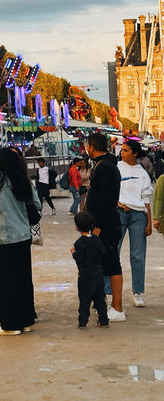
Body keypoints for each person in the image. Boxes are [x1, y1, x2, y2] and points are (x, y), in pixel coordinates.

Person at [0, 147, 41, 335]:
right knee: (23, 279)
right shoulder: (24, 180)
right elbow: (37, 204)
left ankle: (10, 324)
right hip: (23, 236)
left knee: (6, 282)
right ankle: (26, 320)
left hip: (4, 237)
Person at [85, 132, 124, 321]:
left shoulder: (105, 167)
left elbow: (107, 200)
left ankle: (117, 307)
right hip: (104, 223)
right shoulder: (104, 165)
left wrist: (98, 225)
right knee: (103, 263)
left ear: (91, 147)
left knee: (112, 264)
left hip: (106, 224)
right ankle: (104, 302)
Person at [115, 139, 153, 307]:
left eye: (125, 150)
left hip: (138, 215)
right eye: (121, 150)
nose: (122, 153)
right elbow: (109, 190)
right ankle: (109, 291)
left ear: (135, 153)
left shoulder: (142, 173)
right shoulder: (116, 168)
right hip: (119, 214)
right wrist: (115, 203)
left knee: (137, 255)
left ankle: (137, 292)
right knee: (113, 252)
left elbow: (146, 199)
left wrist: (149, 222)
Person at [71, 211, 109, 329]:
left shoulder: (79, 243)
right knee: (100, 299)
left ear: (77, 227)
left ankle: (83, 322)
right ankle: (103, 320)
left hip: (86, 275)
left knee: (85, 299)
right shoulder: (96, 239)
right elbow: (102, 252)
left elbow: (80, 259)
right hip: (98, 273)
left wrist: (74, 253)